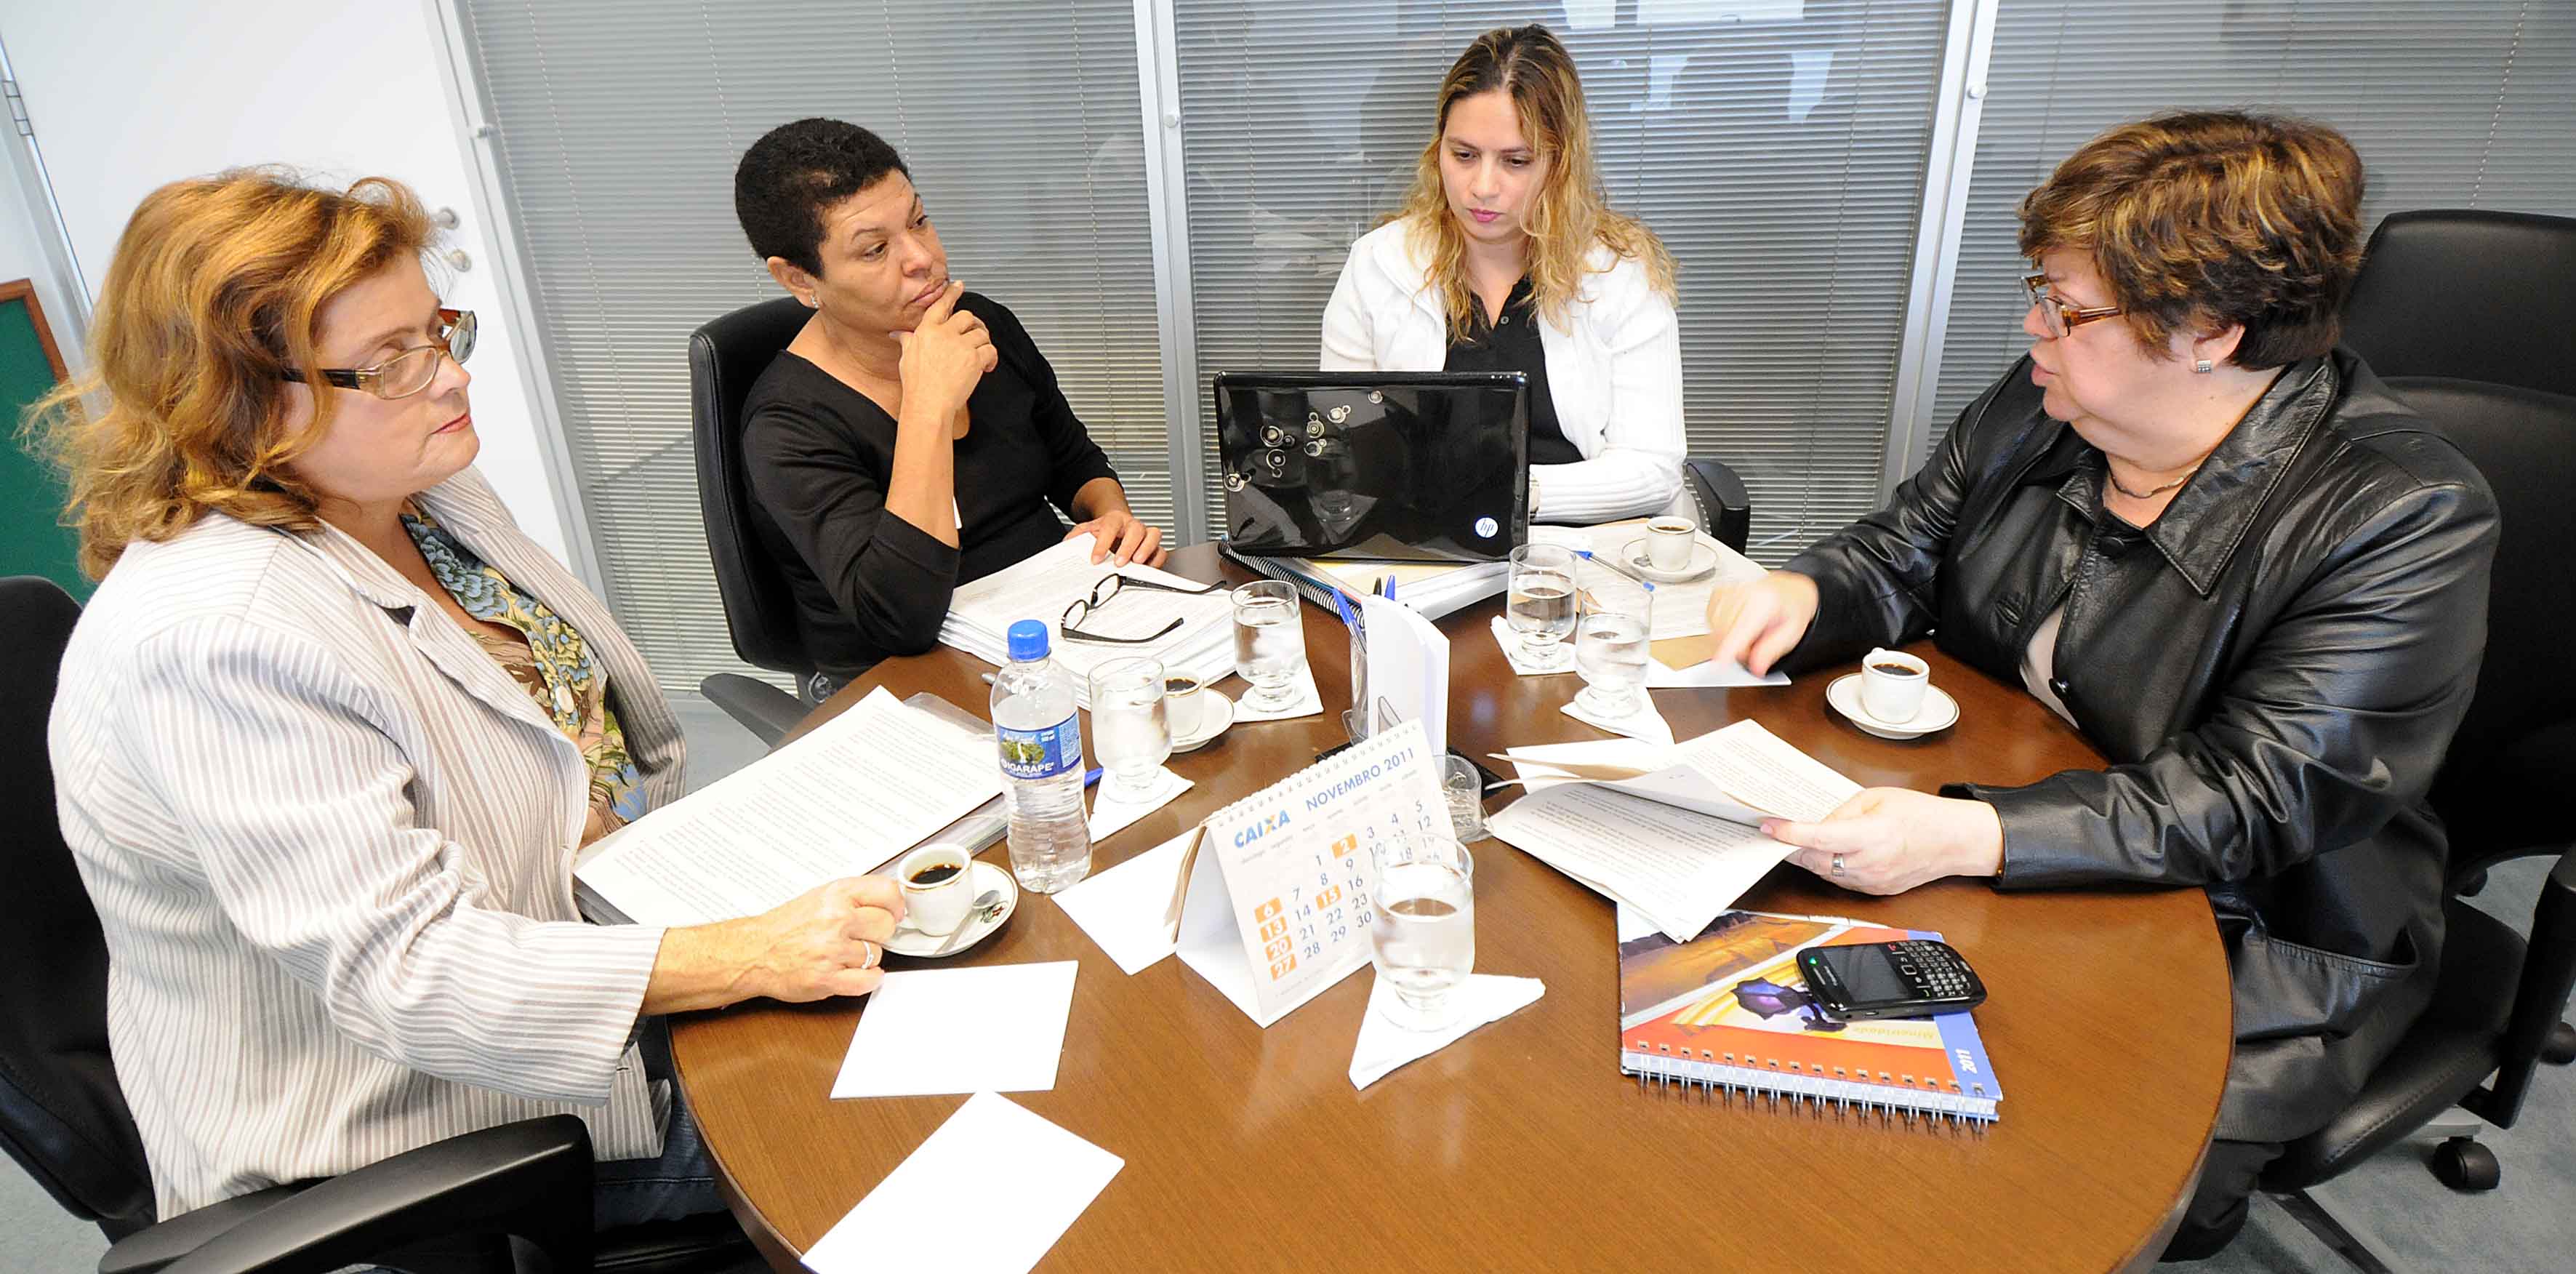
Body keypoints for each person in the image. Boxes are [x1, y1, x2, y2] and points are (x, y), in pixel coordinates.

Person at [37, 169, 906, 1230]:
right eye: (391, 362)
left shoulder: (421, 488)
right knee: (898, 1124)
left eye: (436, 334)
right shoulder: (218, 635)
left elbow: (572, 743)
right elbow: (411, 974)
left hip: (605, 947)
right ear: (237, 402)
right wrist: (751, 951)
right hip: (429, 1124)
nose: (448, 382)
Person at [1701, 111, 2496, 1262]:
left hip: (2251, 934)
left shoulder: (2398, 515)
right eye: (2042, 291)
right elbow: (1899, 550)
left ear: (2209, 333)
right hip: (1998, 826)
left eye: (2067, 308)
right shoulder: (2047, 402)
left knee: (2001, 1189)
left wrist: (1967, 838)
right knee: (1765, 1060)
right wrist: (1806, 591)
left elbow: (2258, 792)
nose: (2033, 325)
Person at [734, 118, 1165, 700]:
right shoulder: (787, 426)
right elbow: (900, 620)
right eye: (875, 250)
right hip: (903, 684)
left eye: (918, 221)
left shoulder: (981, 323)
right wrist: (928, 407)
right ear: (799, 277)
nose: (922, 258)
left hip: (1055, 626)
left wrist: (1111, 521)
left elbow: (1073, 460)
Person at [1319, 23, 1685, 526]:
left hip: (1584, 547)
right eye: (1463, 155)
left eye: (1516, 161)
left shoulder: (1618, 275)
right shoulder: (1378, 264)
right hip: (1423, 540)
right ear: (1437, 150)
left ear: (1559, 166)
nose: (1482, 187)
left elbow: (1652, 467)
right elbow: (1344, 441)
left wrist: (1513, 491)